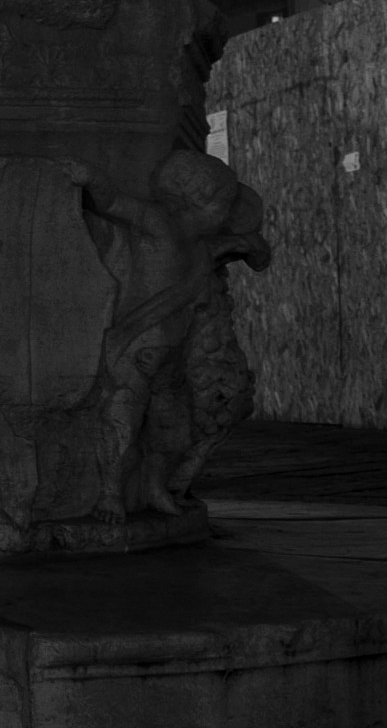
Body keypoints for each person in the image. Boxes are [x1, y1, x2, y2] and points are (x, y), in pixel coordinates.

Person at [61, 150, 272, 519]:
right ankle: (110, 493)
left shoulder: (199, 247)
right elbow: (113, 202)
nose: (227, 218)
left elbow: (251, 252)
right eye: (223, 205)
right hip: (136, 350)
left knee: (171, 431)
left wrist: (252, 245)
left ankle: (153, 486)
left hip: (169, 356)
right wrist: (89, 175)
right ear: (196, 201)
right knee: (122, 422)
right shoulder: (158, 224)